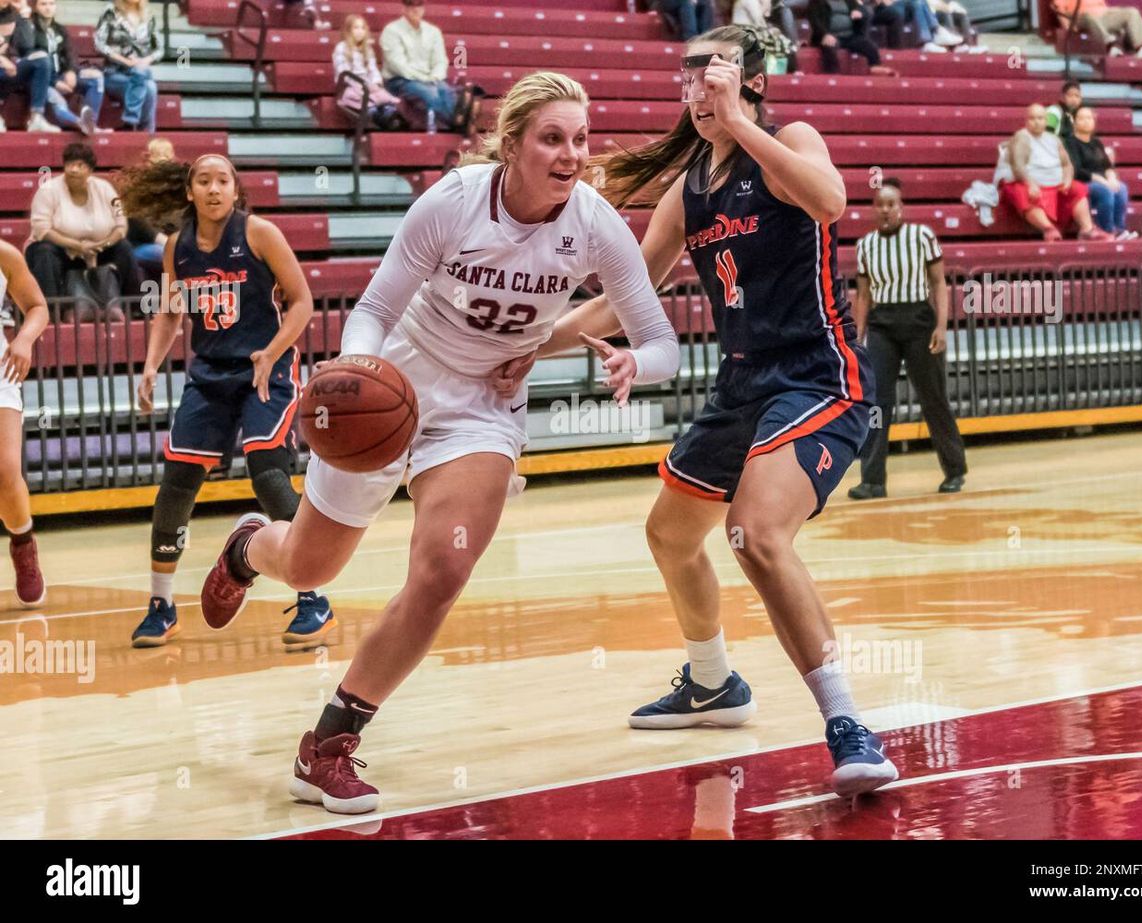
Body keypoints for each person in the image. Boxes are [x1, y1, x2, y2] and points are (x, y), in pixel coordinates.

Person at [198, 71, 681, 813]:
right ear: (512, 144)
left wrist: (629, 361)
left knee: (444, 567)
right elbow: (375, 306)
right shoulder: (454, 201)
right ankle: (248, 546)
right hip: (397, 377)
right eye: (552, 138)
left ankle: (328, 743)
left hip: (481, 406)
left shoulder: (593, 222)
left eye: (580, 139)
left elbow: (661, 341)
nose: (571, 154)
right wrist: (360, 366)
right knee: (307, 566)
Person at [550, 25, 898, 798]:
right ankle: (712, 684)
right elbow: (624, 298)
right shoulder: (690, 189)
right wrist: (525, 346)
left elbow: (832, 199)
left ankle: (846, 719)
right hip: (742, 384)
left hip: (816, 377)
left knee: (757, 532)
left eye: (714, 77)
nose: (697, 92)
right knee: (670, 535)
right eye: (689, 79)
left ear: (751, 85)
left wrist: (740, 123)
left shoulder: (789, 138)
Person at [113, 153, 337, 649]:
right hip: (210, 376)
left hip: (267, 370)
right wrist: (151, 365)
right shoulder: (178, 247)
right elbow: (171, 313)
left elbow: (302, 302)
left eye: (223, 180)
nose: (214, 188)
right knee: (176, 483)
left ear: (236, 191)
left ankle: (312, 598)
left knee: (269, 473)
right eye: (204, 180)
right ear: (189, 191)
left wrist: (271, 353)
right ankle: (160, 605)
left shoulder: (259, 234)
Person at [848, 178, 965, 498]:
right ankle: (872, 480)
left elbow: (938, 283)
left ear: (901, 208)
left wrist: (941, 327)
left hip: (919, 321)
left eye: (891, 204)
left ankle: (955, 470)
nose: (886, 210)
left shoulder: (922, 236)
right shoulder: (866, 245)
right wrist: (858, 336)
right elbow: (864, 293)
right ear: (874, 210)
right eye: (880, 205)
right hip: (882, 325)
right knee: (875, 403)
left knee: (934, 398)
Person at [25, 142, 142, 318]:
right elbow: (42, 229)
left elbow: (121, 225)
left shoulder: (105, 188)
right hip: (62, 249)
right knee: (43, 251)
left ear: (90, 169)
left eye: (79, 165)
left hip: (99, 248)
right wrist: (76, 246)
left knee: (123, 247)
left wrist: (103, 244)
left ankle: (137, 308)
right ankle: (48, 312)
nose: (73, 170)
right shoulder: (48, 189)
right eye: (69, 164)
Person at [0, 238, 50, 607]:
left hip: (2, 368)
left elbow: (36, 307)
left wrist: (24, 339)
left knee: (5, 470)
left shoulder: (4, 254)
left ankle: (22, 542)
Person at [997, 104, 1110, 242]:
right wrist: (1030, 183)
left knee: (1078, 188)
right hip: (1025, 181)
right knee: (1022, 191)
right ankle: (1048, 228)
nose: (1037, 122)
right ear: (1026, 121)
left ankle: (1087, 229)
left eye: (1040, 118)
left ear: (1045, 120)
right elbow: (1018, 166)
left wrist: (1067, 180)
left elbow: (1067, 165)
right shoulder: (1021, 137)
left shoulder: (1054, 139)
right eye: (1032, 118)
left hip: (1054, 183)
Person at [379, 0, 471, 133]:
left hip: (429, 78)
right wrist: (425, 79)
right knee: (431, 93)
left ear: (423, 8)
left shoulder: (433, 31)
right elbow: (397, 65)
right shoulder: (391, 30)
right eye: (411, 5)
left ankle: (458, 123)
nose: (415, 9)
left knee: (445, 90)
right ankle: (461, 124)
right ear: (404, 8)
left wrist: (434, 77)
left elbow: (440, 61)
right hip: (399, 80)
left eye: (419, 5)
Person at [30, 0, 103, 134]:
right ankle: (81, 123)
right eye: (43, 4)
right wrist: (55, 82)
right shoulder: (30, 29)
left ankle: (91, 121)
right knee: (59, 102)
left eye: (51, 4)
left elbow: (70, 52)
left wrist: (71, 71)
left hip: (61, 73)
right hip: (42, 81)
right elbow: (32, 61)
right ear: (35, 7)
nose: (48, 8)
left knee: (96, 78)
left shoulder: (60, 29)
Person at [1065, 107, 1136, 240]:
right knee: (1105, 191)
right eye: (1081, 118)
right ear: (1074, 122)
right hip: (1082, 181)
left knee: (1121, 188)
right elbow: (1077, 169)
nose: (1086, 121)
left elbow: (1107, 166)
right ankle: (1107, 229)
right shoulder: (1070, 142)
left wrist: (1112, 177)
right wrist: (1101, 180)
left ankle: (1120, 229)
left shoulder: (1096, 142)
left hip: (1101, 180)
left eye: (1089, 118)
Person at [94, 0, 161, 132]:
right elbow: (99, 44)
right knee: (148, 86)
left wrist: (146, 60)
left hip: (139, 72)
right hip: (115, 74)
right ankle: (142, 130)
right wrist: (125, 61)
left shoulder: (149, 15)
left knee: (150, 87)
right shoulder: (111, 12)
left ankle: (137, 127)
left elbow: (160, 49)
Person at [333, 14, 404, 130]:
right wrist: (363, 85)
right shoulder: (342, 47)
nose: (360, 31)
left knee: (382, 98)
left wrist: (376, 82)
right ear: (348, 30)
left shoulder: (367, 49)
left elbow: (373, 69)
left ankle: (389, 116)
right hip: (351, 86)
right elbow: (343, 73)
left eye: (362, 28)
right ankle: (374, 115)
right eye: (356, 28)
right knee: (368, 100)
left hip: (369, 86)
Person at [0, 0, 59, 132]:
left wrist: (23, 16)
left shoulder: (12, 15)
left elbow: (27, 45)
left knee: (42, 58)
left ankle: (36, 118)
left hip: (10, 70)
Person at [806, 0, 896, 76]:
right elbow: (815, 20)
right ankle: (833, 74)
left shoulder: (849, 1)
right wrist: (824, 34)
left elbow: (861, 11)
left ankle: (875, 66)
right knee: (829, 47)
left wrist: (860, 14)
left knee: (869, 45)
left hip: (850, 36)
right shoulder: (817, 2)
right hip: (829, 36)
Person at [127, 137, 176, 276]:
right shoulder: (136, 186)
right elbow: (139, 224)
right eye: (158, 156)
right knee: (168, 255)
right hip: (140, 244)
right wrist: (169, 243)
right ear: (148, 161)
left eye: (166, 156)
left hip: (170, 243)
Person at [1051, 0, 1142, 58]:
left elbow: (1102, 7)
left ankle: (1139, 48)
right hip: (1080, 17)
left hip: (1102, 14)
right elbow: (1060, 10)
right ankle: (1110, 46)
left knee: (1131, 12)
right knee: (1089, 16)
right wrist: (1069, 28)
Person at [870, 0, 961, 53]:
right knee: (917, 2)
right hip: (879, 9)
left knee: (919, 2)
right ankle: (933, 34)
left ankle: (933, 34)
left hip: (897, 6)